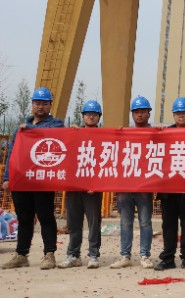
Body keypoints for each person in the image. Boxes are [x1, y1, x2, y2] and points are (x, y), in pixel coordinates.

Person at [1, 87, 64, 270]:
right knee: (24, 218)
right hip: (22, 179)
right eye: (37, 103)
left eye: (44, 103)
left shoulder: (55, 125)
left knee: (45, 217)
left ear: (50, 105)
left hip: (43, 180)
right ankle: (21, 254)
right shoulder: (20, 129)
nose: (40, 107)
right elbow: (12, 154)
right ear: (32, 104)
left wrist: (30, 129)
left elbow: (52, 135)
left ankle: (49, 254)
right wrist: (7, 178)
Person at [154, 97, 185, 271]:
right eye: (177, 113)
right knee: (168, 226)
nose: (181, 116)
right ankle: (168, 258)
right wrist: (157, 133)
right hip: (168, 189)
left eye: (184, 112)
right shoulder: (165, 133)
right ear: (173, 115)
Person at [110, 96, 155, 269]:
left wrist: (161, 133)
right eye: (136, 112)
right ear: (132, 114)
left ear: (148, 113)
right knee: (125, 222)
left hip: (144, 187)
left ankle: (145, 255)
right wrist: (116, 134)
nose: (140, 115)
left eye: (143, 111)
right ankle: (125, 256)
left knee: (145, 222)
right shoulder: (125, 134)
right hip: (125, 186)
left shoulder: (156, 134)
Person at [58, 100, 104, 270]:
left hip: (93, 188)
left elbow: (106, 162)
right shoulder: (74, 134)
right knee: (74, 222)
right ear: (83, 116)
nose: (91, 117)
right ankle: (73, 254)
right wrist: (70, 133)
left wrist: (96, 184)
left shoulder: (104, 136)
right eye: (88, 114)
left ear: (99, 117)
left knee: (93, 223)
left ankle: (93, 255)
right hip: (74, 186)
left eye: (94, 114)